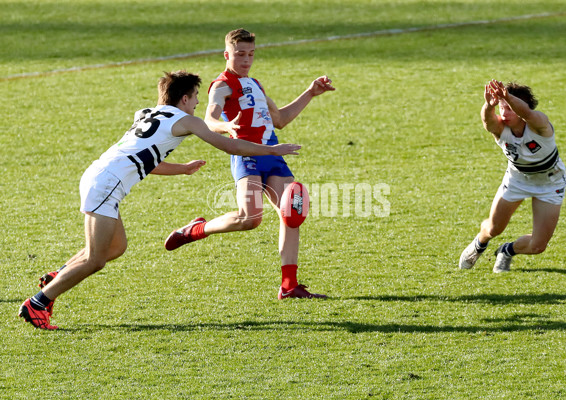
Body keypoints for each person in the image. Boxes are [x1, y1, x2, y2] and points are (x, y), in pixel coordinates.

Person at [19, 70, 302, 329]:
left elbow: (144, 159)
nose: (195, 107)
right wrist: (271, 150)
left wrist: (181, 168)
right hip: (106, 184)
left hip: (98, 176)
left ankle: (61, 275)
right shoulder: (186, 120)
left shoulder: (145, 113)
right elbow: (228, 145)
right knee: (95, 258)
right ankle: (38, 303)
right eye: (194, 100)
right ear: (184, 98)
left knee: (116, 247)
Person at [164, 28, 335, 299]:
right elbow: (209, 117)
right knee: (249, 218)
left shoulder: (256, 84)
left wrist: (310, 93)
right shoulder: (222, 85)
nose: (246, 59)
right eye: (240, 54)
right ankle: (195, 230)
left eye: (251, 54)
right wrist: (225, 126)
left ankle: (289, 286)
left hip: (274, 155)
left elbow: (279, 119)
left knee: (291, 213)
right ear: (227, 54)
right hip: (246, 154)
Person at [459, 79, 566, 273]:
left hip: (550, 183)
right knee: (493, 228)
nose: (504, 113)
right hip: (517, 180)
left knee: (537, 246)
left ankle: (507, 251)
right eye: (502, 108)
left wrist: (507, 97)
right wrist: (488, 105)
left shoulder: (539, 124)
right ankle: (479, 243)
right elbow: (487, 121)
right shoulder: (501, 129)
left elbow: (526, 113)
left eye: (509, 108)